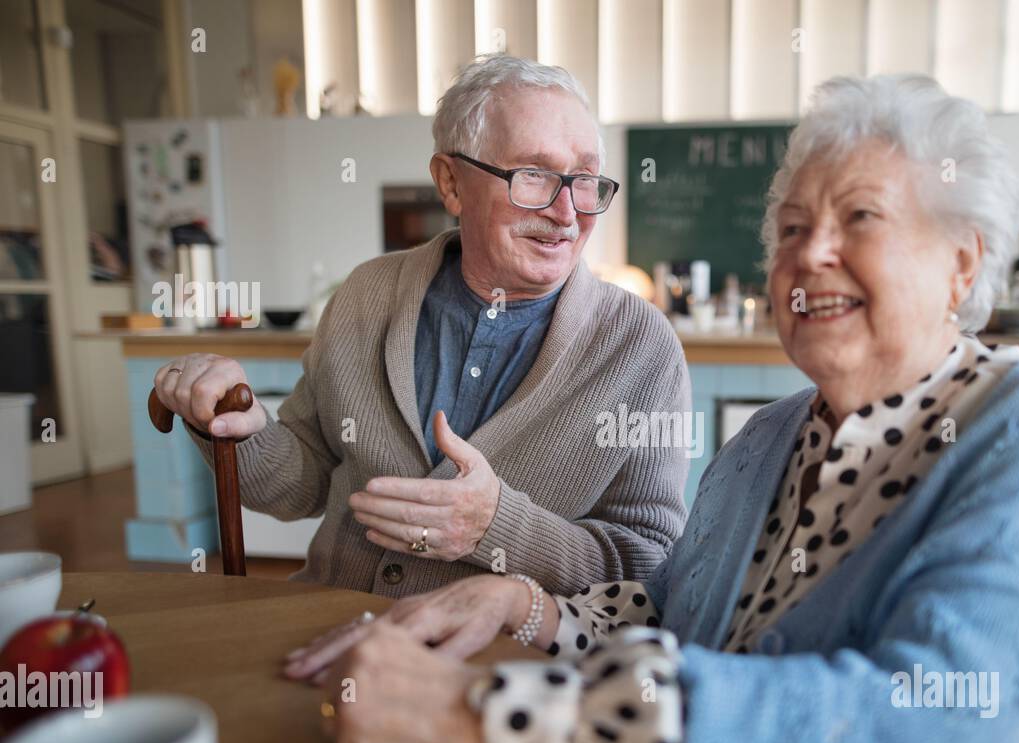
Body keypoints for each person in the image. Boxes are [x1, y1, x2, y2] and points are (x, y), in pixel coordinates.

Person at [290, 74, 1019, 743]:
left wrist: (496, 722)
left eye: (861, 219)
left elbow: (935, 738)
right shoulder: (770, 436)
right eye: (793, 229)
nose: (811, 255)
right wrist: (525, 601)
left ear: (962, 263)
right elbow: (671, 611)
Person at [151, 55, 689, 596]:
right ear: (450, 183)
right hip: (334, 626)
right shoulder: (367, 294)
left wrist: (495, 528)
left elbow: (649, 568)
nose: (568, 213)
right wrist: (241, 432)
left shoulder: (641, 350)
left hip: (505, 662)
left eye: (585, 180)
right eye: (533, 175)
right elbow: (302, 483)